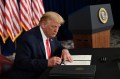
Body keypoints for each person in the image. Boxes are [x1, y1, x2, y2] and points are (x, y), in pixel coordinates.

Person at [8, 11, 73, 79]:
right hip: (30, 75)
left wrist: (64, 50)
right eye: (53, 26)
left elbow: (58, 46)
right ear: (43, 25)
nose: (56, 30)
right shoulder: (27, 39)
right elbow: (21, 63)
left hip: (45, 72)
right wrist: (47, 63)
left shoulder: (51, 35)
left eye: (58, 27)